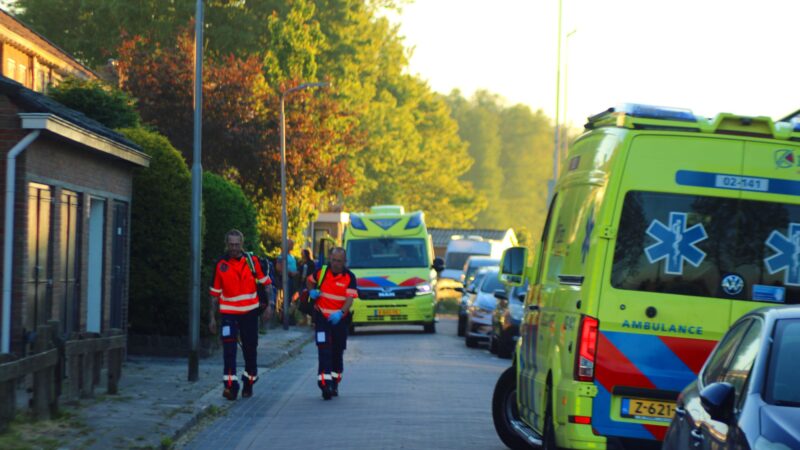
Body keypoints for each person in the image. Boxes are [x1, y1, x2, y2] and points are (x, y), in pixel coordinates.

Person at [208, 229, 271, 400]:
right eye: (231, 245)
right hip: (228, 314)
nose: (234, 248)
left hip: (249, 314)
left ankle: (249, 381)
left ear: (242, 244)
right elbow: (214, 294)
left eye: (237, 245)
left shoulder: (252, 261)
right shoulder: (220, 264)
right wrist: (212, 318)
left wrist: (269, 306)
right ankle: (230, 386)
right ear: (226, 244)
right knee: (229, 350)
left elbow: (266, 285)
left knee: (250, 349)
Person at [306, 247, 357, 400]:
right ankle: (324, 384)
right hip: (322, 318)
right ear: (330, 259)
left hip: (339, 320)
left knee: (337, 352)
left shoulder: (349, 277)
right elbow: (309, 281)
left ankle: (334, 382)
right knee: (324, 350)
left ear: (344, 262)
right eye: (333, 260)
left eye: (339, 261)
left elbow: (350, 298)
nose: (335, 264)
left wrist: (341, 313)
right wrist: (311, 291)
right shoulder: (322, 272)